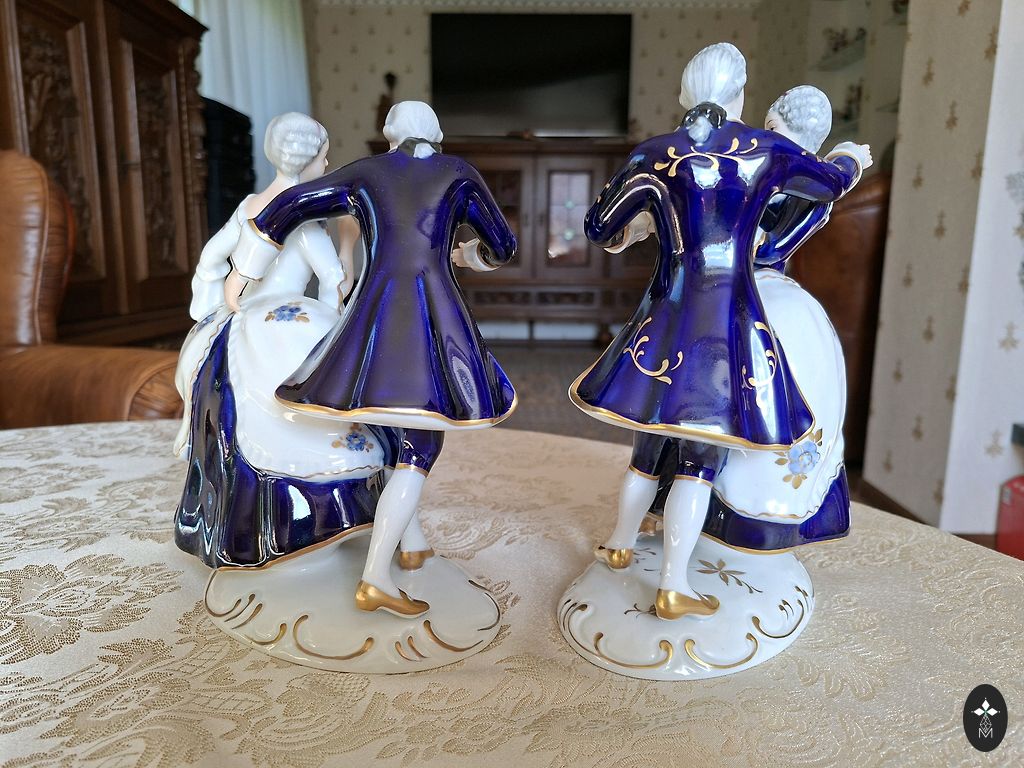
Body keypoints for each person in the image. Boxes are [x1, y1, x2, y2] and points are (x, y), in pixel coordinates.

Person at [571, 43, 872, 620]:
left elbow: (599, 226)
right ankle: (672, 585)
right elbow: (832, 183)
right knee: (699, 460)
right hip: (723, 329)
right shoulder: (765, 150)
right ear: (740, 94)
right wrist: (850, 160)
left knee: (647, 445)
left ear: (684, 92)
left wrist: (647, 220)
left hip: (664, 320)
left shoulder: (653, 153)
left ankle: (619, 546)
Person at [226, 101, 517, 618]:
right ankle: (376, 577)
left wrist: (244, 270)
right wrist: (465, 256)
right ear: (438, 133)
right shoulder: (458, 173)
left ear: (388, 134)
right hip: (431, 319)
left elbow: (289, 204)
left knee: (386, 423)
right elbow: (502, 245)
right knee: (420, 445)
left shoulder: (367, 172)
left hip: (374, 318)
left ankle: (411, 542)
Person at [174, 113, 383, 570]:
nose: (326, 164)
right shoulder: (303, 219)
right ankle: (310, 522)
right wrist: (340, 292)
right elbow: (333, 279)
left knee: (234, 409)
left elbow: (211, 256)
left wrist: (216, 299)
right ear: (309, 161)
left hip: (239, 322)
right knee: (319, 403)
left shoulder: (250, 204)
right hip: (289, 319)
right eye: (324, 157)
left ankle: (236, 520)